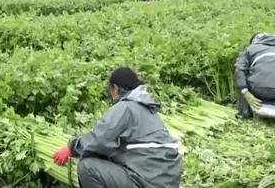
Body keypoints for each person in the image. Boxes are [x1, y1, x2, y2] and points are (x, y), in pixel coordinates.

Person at [53, 67, 182, 188]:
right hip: (166, 182)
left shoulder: (126, 107)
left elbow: (99, 140)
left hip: (146, 182)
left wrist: (71, 148)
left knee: (87, 168)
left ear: (115, 88)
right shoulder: (148, 109)